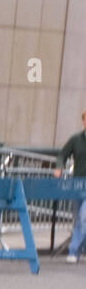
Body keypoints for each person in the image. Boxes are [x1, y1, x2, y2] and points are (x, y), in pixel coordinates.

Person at [53, 109, 86, 263]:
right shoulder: (76, 139)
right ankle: (82, 249)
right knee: (78, 218)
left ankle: (73, 251)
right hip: (77, 184)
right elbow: (62, 154)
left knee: (83, 217)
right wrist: (59, 167)